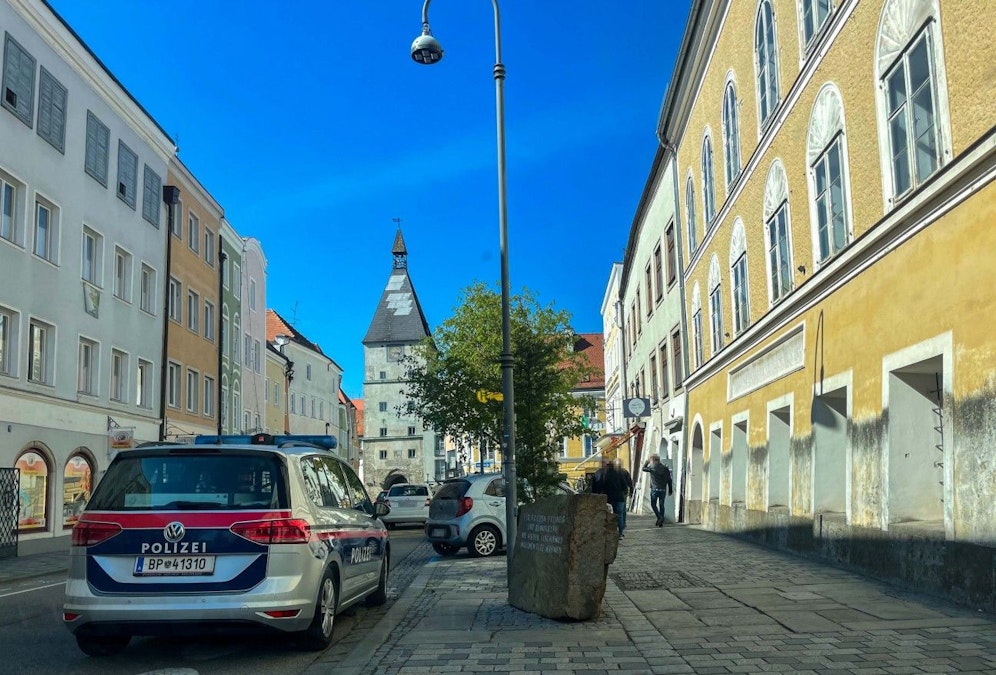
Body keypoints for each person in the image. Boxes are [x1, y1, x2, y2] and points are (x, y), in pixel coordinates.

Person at [598, 459, 631, 538]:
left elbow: (603, 487)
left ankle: (611, 532)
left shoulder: (605, 475)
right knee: (620, 515)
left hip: (610, 498)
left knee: (610, 515)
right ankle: (620, 533)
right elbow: (624, 486)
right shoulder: (620, 474)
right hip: (620, 497)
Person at [642, 454, 673, 527]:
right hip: (663, 489)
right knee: (661, 504)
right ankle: (660, 521)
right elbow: (669, 480)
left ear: (653, 460)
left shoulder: (652, 468)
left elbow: (643, 468)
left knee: (653, 504)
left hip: (654, 489)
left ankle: (659, 517)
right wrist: (670, 489)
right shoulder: (665, 468)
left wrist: (646, 462)